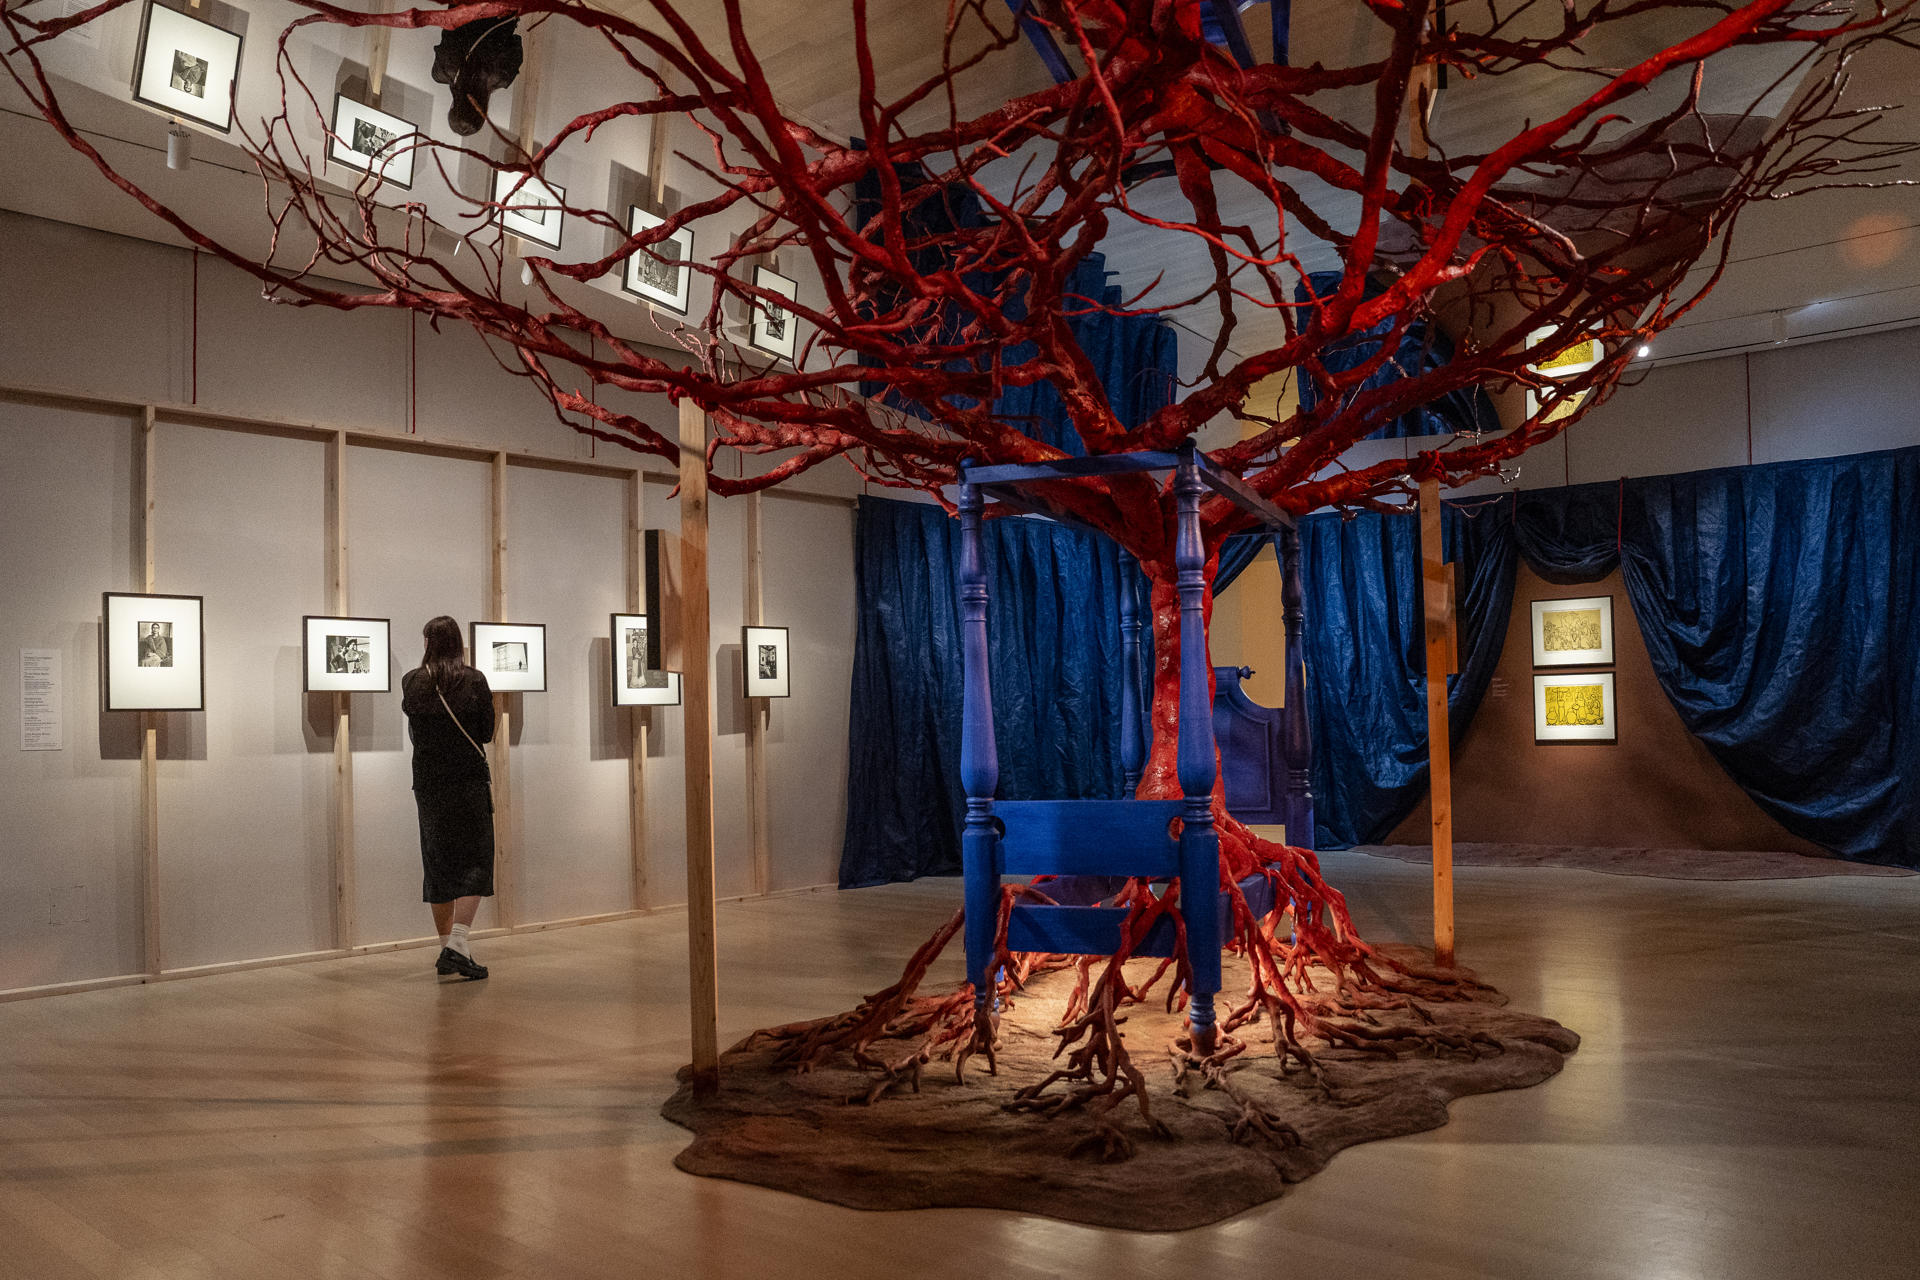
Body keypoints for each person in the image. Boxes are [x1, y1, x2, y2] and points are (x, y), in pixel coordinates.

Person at [401, 615, 497, 980]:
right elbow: (485, 732)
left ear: (427, 642)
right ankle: (457, 944)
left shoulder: (412, 681)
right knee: (476, 860)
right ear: (459, 643)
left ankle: (448, 950)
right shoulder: (474, 680)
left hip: (428, 785)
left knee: (437, 861)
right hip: (468, 782)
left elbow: (416, 733)